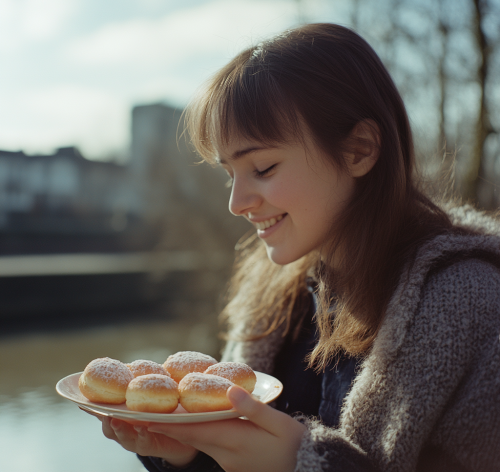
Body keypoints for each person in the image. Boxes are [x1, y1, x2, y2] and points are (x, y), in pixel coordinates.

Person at [95, 24, 500, 471]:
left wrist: (302, 465)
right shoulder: (269, 299)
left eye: (263, 167)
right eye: (230, 174)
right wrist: (193, 456)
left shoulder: (476, 308)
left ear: (360, 150)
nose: (236, 203)